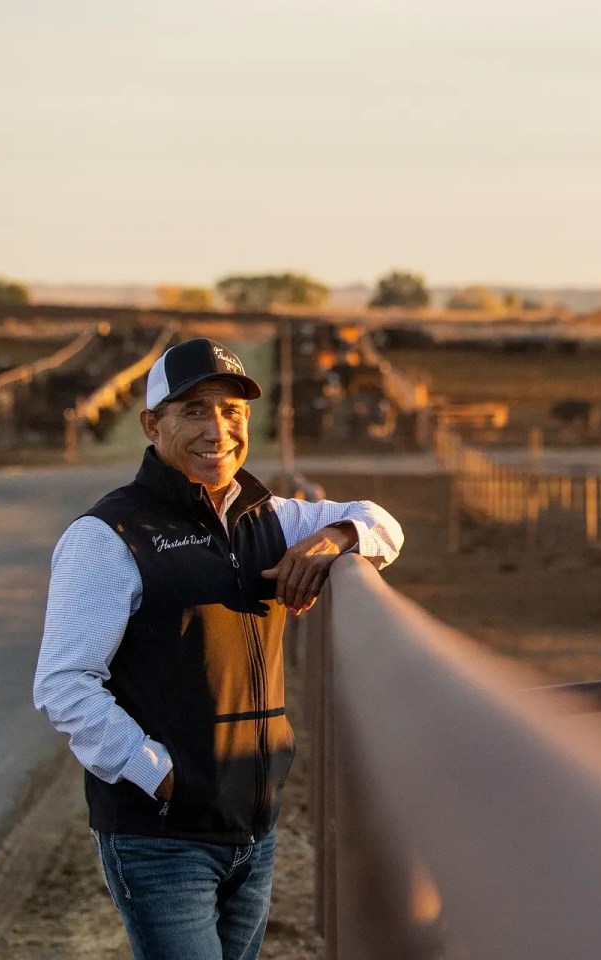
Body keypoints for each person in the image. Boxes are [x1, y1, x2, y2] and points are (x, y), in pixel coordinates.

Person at [33, 337, 403, 960]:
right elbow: (63, 682)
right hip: (161, 837)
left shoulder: (274, 517)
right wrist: (162, 774)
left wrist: (337, 535)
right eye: (194, 410)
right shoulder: (108, 536)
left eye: (232, 411)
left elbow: (386, 526)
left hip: (254, 827)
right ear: (151, 425)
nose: (218, 429)